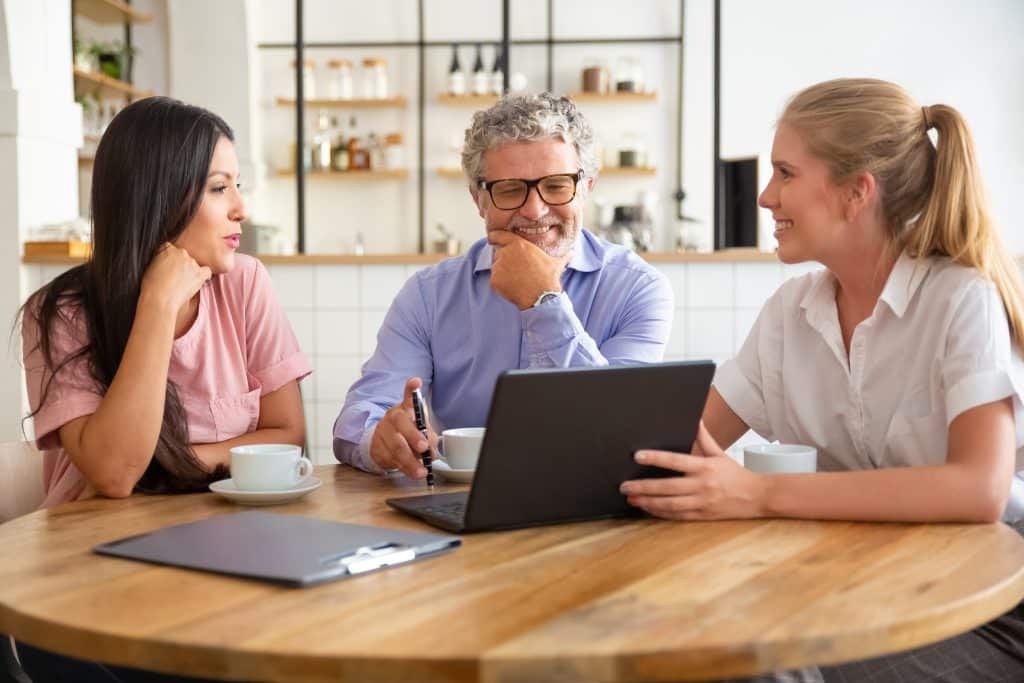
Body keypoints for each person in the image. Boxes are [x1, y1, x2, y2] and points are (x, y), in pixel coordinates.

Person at [621, 78, 1024, 682]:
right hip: (868, 586)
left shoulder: (960, 299)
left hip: (989, 604)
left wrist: (758, 495)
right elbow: (680, 444)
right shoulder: (790, 313)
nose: (765, 197)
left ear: (857, 192)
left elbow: (978, 490)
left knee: (761, 667)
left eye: (785, 173)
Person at [16, 96, 312, 680]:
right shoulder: (59, 314)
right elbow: (114, 474)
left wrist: (169, 466)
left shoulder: (245, 284)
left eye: (236, 186)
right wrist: (157, 302)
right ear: (160, 196)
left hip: (223, 559)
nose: (241, 209)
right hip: (89, 586)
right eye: (219, 188)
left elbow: (287, 435)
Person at [333, 92, 673, 478]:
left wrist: (543, 300)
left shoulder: (639, 289)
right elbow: (357, 420)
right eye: (510, 189)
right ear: (479, 200)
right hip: (461, 499)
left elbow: (620, 431)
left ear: (587, 188)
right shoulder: (429, 296)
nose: (535, 210)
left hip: (594, 498)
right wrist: (380, 440)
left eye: (556, 185)